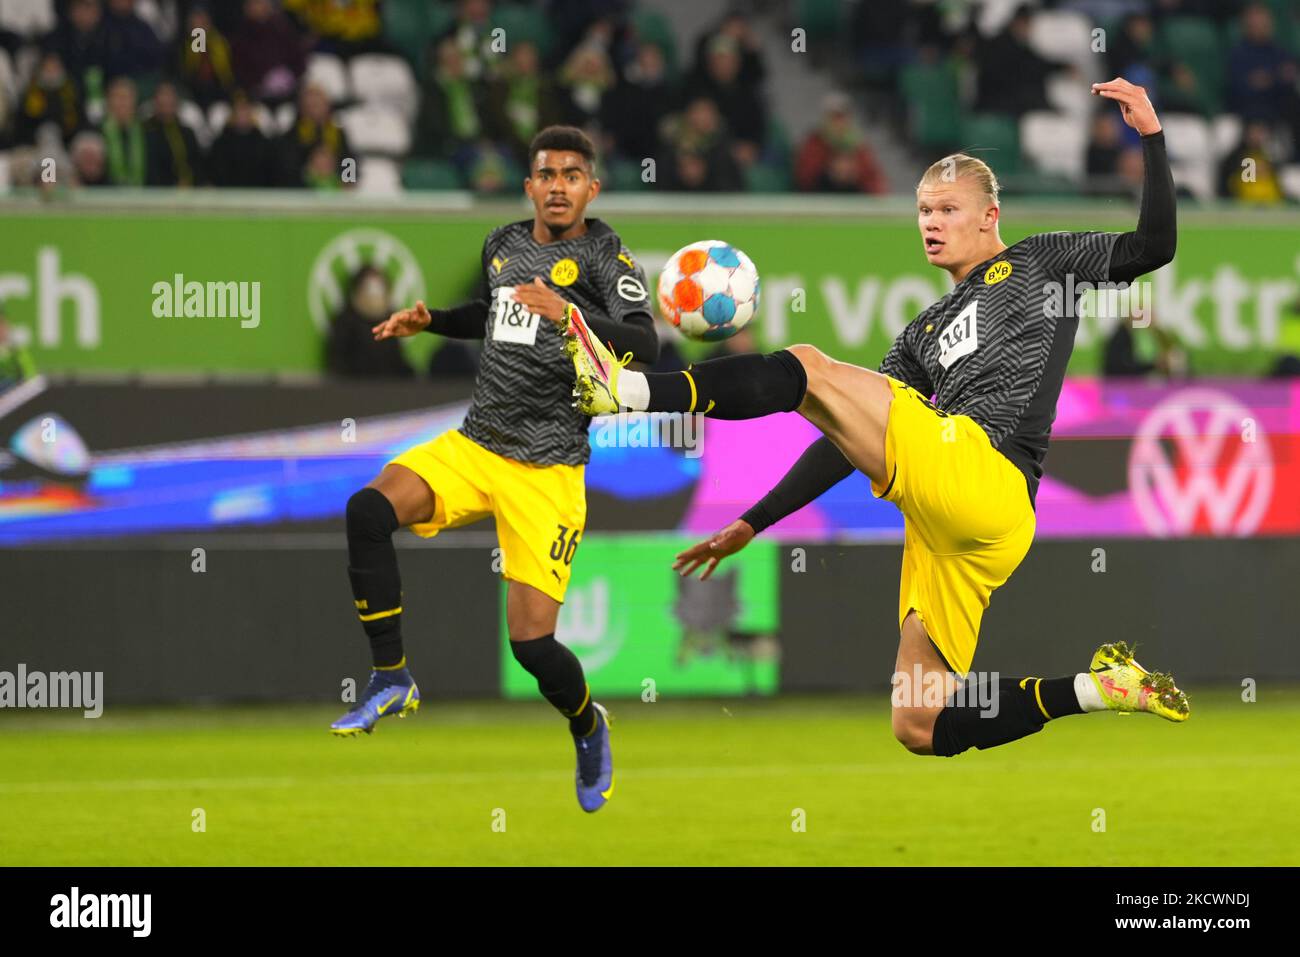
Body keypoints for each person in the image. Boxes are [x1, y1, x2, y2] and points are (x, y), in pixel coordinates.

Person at [565, 79, 1190, 759]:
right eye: (923, 209)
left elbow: (1151, 246)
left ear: (990, 215)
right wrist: (754, 520)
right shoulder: (921, 333)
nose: (930, 221)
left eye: (948, 208)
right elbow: (846, 439)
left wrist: (1151, 137)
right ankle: (1099, 689)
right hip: (959, 527)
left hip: (985, 471)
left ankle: (629, 392)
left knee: (808, 365)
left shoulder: (1041, 261)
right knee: (918, 724)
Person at [330, 126, 658, 813]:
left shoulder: (603, 255)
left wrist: (569, 310)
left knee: (533, 647)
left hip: (548, 469)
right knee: (368, 510)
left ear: (592, 188)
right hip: (477, 444)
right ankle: (392, 675)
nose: (560, 185)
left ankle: (587, 723)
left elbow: (645, 341)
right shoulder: (503, 245)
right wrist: (433, 320)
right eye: (548, 173)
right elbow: (495, 313)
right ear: (529, 186)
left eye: (573, 174)